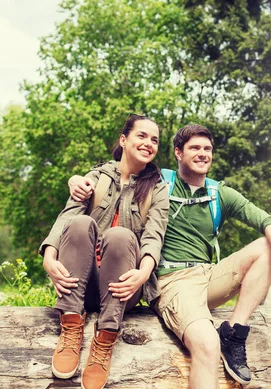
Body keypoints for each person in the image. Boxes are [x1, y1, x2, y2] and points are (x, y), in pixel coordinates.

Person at [69, 124, 271, 389]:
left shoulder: (219, 193)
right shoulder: (158, 181)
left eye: (207, 149)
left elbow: (270, 222)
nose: (203, 154)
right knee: (206, 344)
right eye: (195, 148)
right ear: (178, 153)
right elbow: (116, 170)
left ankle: (234, 333)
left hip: (209, 275)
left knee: (268, 245)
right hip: (172, 281)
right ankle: (216, 341)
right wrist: (76, 180)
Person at [40, 114, 169, 389]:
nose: (148, 143)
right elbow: (66, 218)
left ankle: (106, 334)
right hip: (81, 284)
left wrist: (143, 274)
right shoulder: (94, 178)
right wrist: (49, 256)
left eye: (154, 140)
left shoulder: (157, 189)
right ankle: (71, 325)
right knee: (79, 222)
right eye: (142, 136)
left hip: (123, 289)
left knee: (120, 235)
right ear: (124, 140)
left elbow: (154, 236)